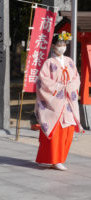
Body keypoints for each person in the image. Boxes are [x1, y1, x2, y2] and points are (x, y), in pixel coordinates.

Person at [35, 32, 83, 171]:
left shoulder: (69, 61)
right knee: (55, 132)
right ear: (53, 46)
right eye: (59, 45)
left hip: (68, 102)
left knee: (67, 131)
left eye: (64, 44)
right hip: (54, 103)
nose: (62, 47)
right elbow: (42, 81)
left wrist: (70, 86)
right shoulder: (49, 63)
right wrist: (59, 87)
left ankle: (59, 159)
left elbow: (76, 78)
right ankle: (54, 160)